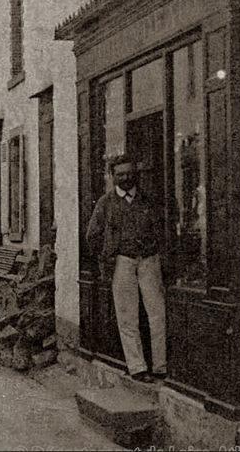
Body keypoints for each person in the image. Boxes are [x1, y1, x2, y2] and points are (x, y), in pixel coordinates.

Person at [85, 157, 167, 383]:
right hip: (122, 262)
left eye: (129, 173)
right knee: (127, 317)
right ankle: (137, 367)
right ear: (113, 177)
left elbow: (162, 228)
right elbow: (92, 236)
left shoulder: (147, 200)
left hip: (149, 260)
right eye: (120, 174)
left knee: (157, 314)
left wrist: (156, 250)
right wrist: (107, 256)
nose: (125, 178)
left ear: (136, 174)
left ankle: (161, 366)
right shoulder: (106, 203)